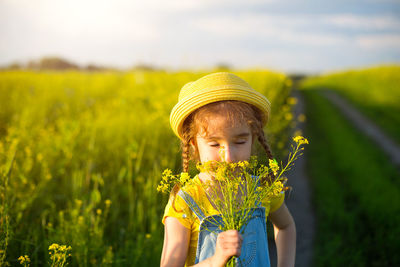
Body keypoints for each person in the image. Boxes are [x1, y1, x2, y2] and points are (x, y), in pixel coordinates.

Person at [160, 72, 296, 267]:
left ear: (253, 138)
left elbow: (286, 226)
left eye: (240, 141)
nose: (229, 158)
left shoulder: (262, 189)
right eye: (215, 145)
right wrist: (215, 260)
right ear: (194, 145)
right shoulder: (186, 201)